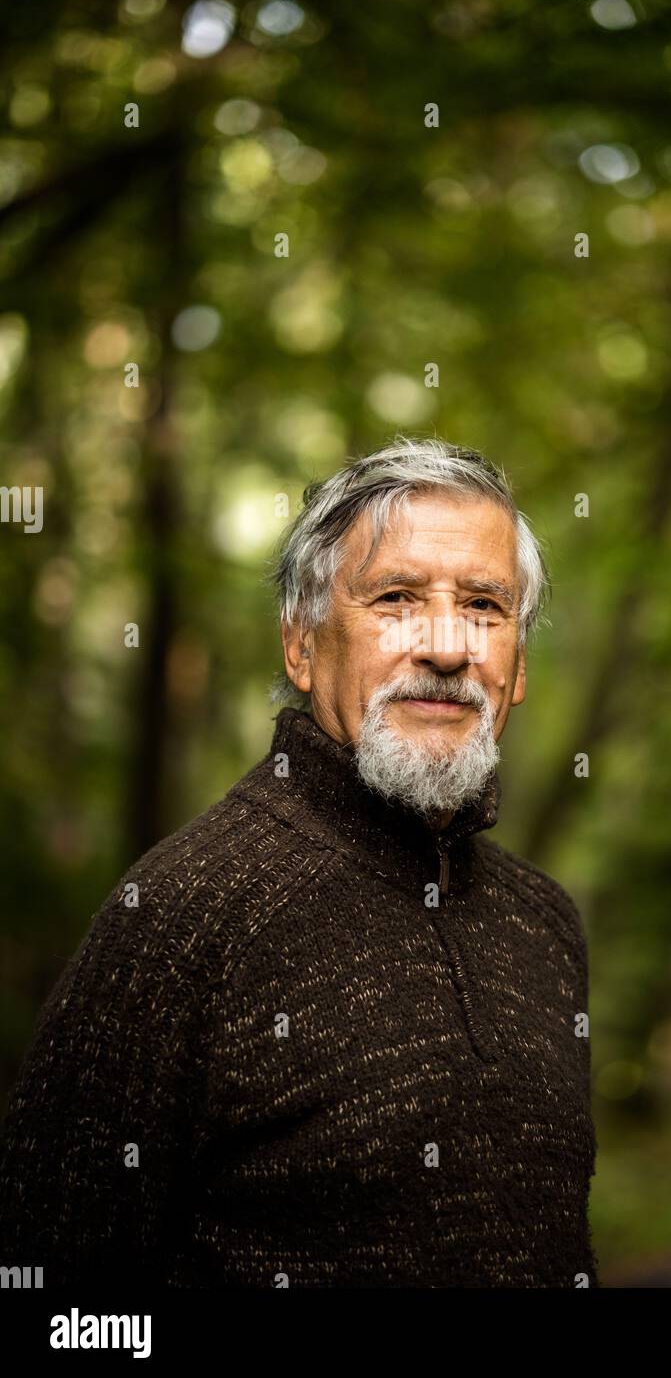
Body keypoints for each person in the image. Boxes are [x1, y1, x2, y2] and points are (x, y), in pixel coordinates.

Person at [0, 436, 598, 1288]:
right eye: (394, 598)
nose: (447, 646)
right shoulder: (180, 914)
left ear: (519, 665)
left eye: (483, 608)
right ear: (302, 647)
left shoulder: (544, 924)